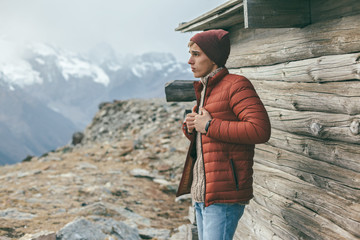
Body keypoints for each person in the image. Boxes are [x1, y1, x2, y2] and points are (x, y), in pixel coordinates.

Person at [176, 29, 271, 240]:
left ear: (214, 58)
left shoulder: (236, 85)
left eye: (196, 54)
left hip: (223, 194)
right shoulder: (206, 88)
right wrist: (191, 127)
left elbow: (260, 130)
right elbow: (209, 138)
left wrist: (209, 125)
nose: (190, 61)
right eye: (190, 53)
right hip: (203, 192)